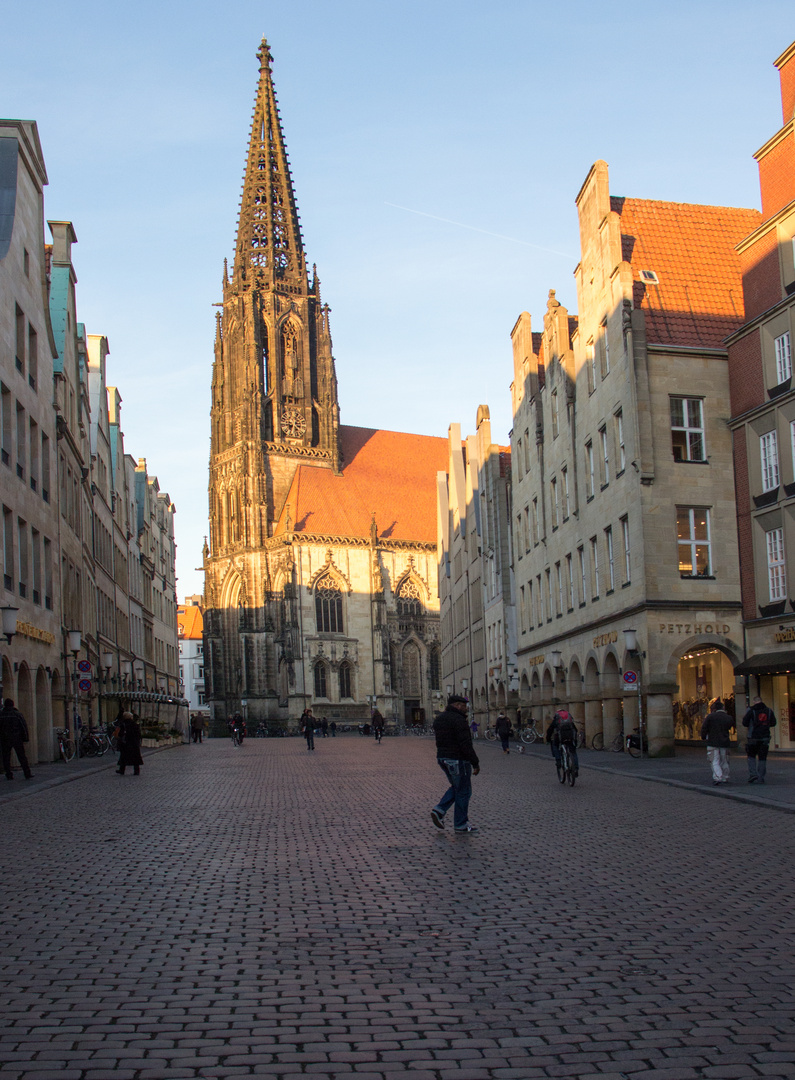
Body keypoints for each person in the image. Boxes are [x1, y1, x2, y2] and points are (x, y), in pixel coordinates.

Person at [431, 694, 480, 834]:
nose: (466, 709)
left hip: (442, 758)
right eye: (464, 706)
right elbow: (465, 744)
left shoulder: (439, 719)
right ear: (457, 705)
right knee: (464, 790)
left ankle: (439, 811)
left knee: (457, 787)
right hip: (458, 759)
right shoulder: (459, 720)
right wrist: (475, 762)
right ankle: (460, 824)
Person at [742, 695, 777, 784]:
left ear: (754, 701)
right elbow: (773, 723)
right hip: (765, 737)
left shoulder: (751, 710)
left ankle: (753, 774)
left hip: (753, 737)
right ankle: (761, 777)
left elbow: (745, 723)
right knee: (762, 757)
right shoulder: (769, 711)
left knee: (751, 756)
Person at [700, 697, 734, 785]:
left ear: (714, 708)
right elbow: (730, 726)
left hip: (712, 741)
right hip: (724, 741)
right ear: (723, 708)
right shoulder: (728, 717)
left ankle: (718, 777)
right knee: (724, 760)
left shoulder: (710, 717)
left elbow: (704, 728)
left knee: (714, 760)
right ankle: (725, 777)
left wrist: (703, 737)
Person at [0, 698, 33, 780]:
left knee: (6, 757)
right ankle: (27, 773)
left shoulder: (1, 715)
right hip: (16, 738)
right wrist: (25, 738)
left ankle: (8, 774)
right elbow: (23, 727)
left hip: (5, 738)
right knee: (22, 756)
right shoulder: (17, 714)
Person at [546, 709, 579, 776]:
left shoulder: (556, 719)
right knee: (573, 752)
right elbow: (575, 729)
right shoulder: (569, 719)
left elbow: (550, 730)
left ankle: (558, 761)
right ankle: (575, 768)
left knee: (555, 745)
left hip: (560, 738)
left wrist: (548, 739)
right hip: (570, 737)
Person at [115, 711, 143, 776]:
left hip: (125, 743)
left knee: (123, 757)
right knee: (135, 757)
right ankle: (136, 771)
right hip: (134, 743)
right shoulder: (135, 724)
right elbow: (138, 734)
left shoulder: (123, 724)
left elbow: (120, 734)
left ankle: (122, 770)